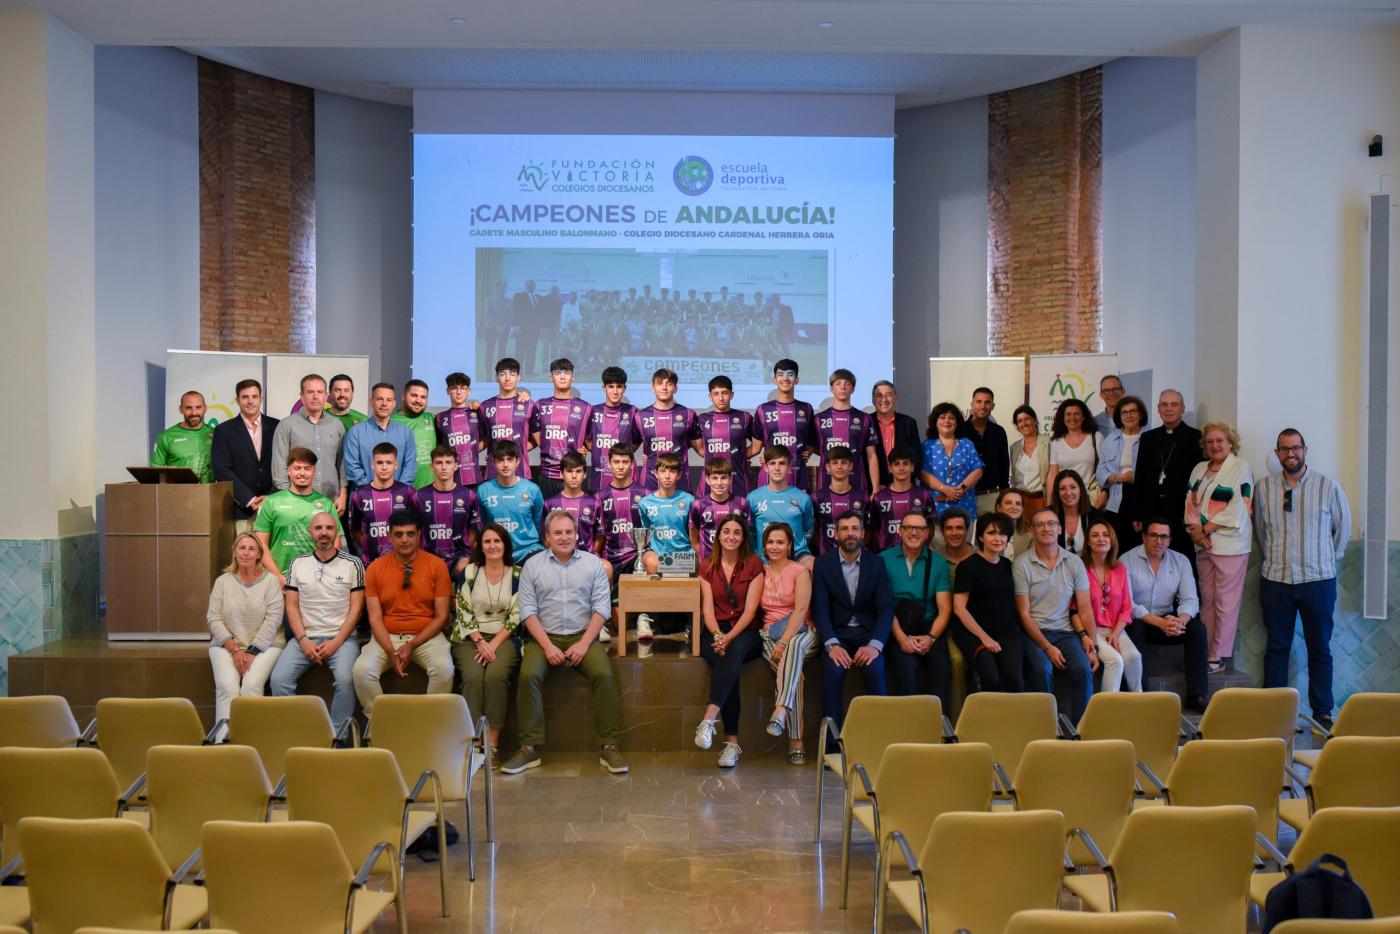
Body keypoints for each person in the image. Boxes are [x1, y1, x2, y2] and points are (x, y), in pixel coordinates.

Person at [502, 510, 628, 775]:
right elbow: (527, 611)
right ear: (547, 537)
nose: (564, 537)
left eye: (569, 532)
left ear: (577, 535)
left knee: (604, 675)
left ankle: (610, 747)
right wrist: (547, 646)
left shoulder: (593, 564)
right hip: (543, 637)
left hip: (583, 635)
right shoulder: (532, 566)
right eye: (557, 533)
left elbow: (602, 608)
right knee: (528, 676)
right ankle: (529, 749)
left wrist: (583, 645)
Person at [1253, 429, 1352, 728]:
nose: (1290, 453)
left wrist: (1323, 560)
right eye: (1284, 449)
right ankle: (1275, 713)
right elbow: (1260, 531)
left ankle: (1322, 711)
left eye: (1295, 448)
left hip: (1318, 579)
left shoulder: (1328, 485)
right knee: (1277, 646)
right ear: (1277, 453)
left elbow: (1342, 529)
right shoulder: (1264, 488)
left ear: (1305, 450)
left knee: (1319, 646)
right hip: (1276, 579)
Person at [351, 510, 454, 713]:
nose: (405, 540)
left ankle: (430, 724)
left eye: (410, 534)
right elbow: (375, 618)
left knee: (444, 670)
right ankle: (381, 723)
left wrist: (412, 645)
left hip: (426, 637)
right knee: (362, 671)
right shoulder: (375, 569)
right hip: (386, 637)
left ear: (419, 536)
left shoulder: (437, 565)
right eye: (398, 535)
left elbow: (442, 617)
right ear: (389, 536)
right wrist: (391, 651)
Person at [269, 511, 364, 729]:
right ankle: (297, 733)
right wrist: (303, 640)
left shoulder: (353, 564)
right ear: (310, 532)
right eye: (319, 528)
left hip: (342, 640)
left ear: (336, 532)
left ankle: (335, 737)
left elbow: (356, 609)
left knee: (347, 681)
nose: (324, 533)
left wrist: (336, 642)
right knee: (279, 680)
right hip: (305, 637)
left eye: (329, 528)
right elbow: (291, 606)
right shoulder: (297, 564)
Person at [1014, 508, 1099, 725]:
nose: (1046, 528)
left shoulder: (1074, 562)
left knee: (1083, 668)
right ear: (1033, 530)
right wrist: (1047, 648)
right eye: (1040, 524)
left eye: (1051, 523)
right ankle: (1046, 727)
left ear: (1060, 529)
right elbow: (1023, 614)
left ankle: (1082, 728)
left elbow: (1085, 608)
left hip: (1066, 632)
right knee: (1043, 669)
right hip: (1035, 632)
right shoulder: (1022, 563)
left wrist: (1092, 644)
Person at [812, 511, 893, 737]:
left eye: (855, 529)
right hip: (837, 634)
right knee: (833, 673)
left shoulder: (876, 563)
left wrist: (875, 645)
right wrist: (831, 644)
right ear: (836, 534)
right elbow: (820, 609)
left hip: (867, 634)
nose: (850, 534)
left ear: (863, 534)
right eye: (844, 529)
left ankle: (879, 740)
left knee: (875, 671)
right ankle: (831, 745)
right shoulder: (822, 564)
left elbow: (885, 608)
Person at [694, 515, 766, 767]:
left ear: (744, 537)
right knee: (728, 664)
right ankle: (731, 744)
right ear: (718, 536)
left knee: (733, 652)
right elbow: (707, 612)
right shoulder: (707, 566)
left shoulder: (754, 564)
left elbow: (750, 611)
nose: (731, 537)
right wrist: (717, 636)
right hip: (715, 632)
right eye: (726, 532)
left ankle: (708, 720)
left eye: (737, 532)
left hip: (746, 632)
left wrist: (728, 637)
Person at [1185, 420, 1254, 673]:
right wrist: (1197, 534)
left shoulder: (1240, 468)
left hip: (1230, 546)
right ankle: (1203, 651)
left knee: (1226, 602)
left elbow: (1240, 505)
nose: (1215, 445)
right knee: (1208, 600)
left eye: (1220, 441)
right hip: (1202, 545)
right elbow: (1190, 503)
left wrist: (1206, 529)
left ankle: (1217, 655)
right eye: (1210, 441)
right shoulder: (1199, 469)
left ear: (1230, 443)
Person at [449, 523, 521, 761]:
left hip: (504, 637)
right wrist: (480, 642)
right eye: (487, 541)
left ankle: (492, 742)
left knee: (495, 677)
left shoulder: (517, 574)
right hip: (470, 637)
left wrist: (494, 644)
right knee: (472, 677)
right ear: (480, 546)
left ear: (505, 544)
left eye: (497, 541)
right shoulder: (469, 572)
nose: (492, 546)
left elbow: (517, 614)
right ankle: (473, 741)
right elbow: (463, 610)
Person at [1122, 517, 1209, 712]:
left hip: (1168, 619)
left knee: (1197, 629)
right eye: (1153, 535)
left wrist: (1179, 621)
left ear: (1169, 540)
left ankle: (1196, 695)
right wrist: (1159, 623)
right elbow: (1128, 604)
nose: (1158, 541)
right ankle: (1140, 694)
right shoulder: (1126, 561)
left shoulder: (1181, 561)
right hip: (1140, 619)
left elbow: (1190, 600)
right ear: (1144, 537)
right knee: (1134, 628)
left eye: (1163, 537)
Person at [206, 532, 284, 721]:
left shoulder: (271, 582)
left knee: (251, 686)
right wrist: (234, 650)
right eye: (242, 548)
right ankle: (223, 744)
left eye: (252, 549)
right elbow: (213, 618)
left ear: (259, 554)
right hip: (226, 646)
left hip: (266, 645)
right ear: (234, 552)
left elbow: (273, 620)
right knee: (227, 687)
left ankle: (252, 742)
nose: (246, 553)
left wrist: (252, 651)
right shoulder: (222, 582)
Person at [756, 523, 816, 764]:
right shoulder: (760, 572)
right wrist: (778, 641)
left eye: (780, 542)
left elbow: (801, 610)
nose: (775, 547)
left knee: (793, 648)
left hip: (803, 632)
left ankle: (781, 709)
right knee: (796, 677)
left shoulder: (800, 571)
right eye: (770, 542)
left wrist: (783, 641)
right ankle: (796, 740)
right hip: (770, 634)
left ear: (790, 545)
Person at [880, 508, 953, 703]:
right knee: (906, 668)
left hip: (928, 625)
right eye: (909, 528)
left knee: (941, 668)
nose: (914, 532)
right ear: (900, 531)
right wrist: (902, 639)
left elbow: (945, 609)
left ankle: (941, 727)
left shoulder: (937, 563)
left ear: (927, 533)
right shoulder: (883, 559)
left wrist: (931, 637)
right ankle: (909, 727)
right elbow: (884, 606)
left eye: (920, 528)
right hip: (895, 625)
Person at [951, 513, 1024, 692]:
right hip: (973, 631)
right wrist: (984, 638)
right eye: (991, 533)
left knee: (1014, 677)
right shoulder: (968, 566)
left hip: (1006, 629)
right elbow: (959, 609)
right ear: (981, 537)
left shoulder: (1008, 565)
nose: (997, 538)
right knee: (990, 676)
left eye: (1002, 534)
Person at [1131, 390, 1204, 560]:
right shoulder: (1148, 438)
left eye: (1174, 405)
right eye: (1164, 404)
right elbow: (1140, 476)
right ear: (1158, 409)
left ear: (1182, 409)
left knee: (1181, 558)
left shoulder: (1196, 437)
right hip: (1152, 510)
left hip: (1181, 512)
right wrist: (1136, 512)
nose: (1169, 409)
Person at [253, 448, 344, 583]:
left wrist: (325, 570)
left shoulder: (326, 504)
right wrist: (278, 577)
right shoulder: (271, 502)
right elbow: (261, 544)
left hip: (316, 578)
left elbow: (336, 541)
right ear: (289, 471)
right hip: (278, 580)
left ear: (314, 471)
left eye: (307, 468)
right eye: (297, 468)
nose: (302, 473)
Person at [636, 453, 697, 641]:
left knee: (697, 563)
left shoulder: (689, 501)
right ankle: (645, 615)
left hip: (683, 555)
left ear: (679, 475)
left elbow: (693, 535)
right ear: (655, 474)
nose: (667, 476)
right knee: (652, 562)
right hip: (657, 553)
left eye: (672, 471)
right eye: (663, 471)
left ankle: (692, 619)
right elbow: (645, 537)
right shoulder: (645, 503)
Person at [1076, 516, 1140, 692]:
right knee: (1115, 660)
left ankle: (1139, 702)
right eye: (1095, 535)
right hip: (1092, 630)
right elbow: (1073, 609)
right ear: (1088, 542)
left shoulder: (1120, 569)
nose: (1101, 539)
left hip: (1115, 629)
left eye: (1105, 535)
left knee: (1134, 656)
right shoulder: (1080, 569)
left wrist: (1116, 634)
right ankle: (1106, 711)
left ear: (1112, 540)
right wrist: (1087, 636)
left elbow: (1127, 607)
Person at [271, 374, 347, 512]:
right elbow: (279, 466)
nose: (315, 396)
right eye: (310, 392)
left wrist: (343, 495)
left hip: (331, 502)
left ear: (326, 396)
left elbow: (342, 464)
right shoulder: (286, 425)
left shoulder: (336, 425)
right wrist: (288, 500)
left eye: (319, 392)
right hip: (297, 502)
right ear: (302, 396)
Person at [211, 378, 280, 529]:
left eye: (254, 397)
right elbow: (221, 469)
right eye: (245, 397)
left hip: (274, 508)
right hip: (241, 510)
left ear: (261, 399)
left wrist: (270, 496)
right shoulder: (224, 431)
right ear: (237, 400)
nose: (250, 401)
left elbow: (285, 464)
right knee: (244, 553)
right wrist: (248, 499)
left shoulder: (277, 426)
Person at [750, 359, 817, 491]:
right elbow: (756, 447)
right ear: (775, 379)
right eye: (781, 374)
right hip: (768, 477)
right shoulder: (762, 410)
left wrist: (808, 451)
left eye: (790, 374)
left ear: (797, 380)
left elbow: (813, 438)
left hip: (798, 476)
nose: (785, 378)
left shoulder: (807, 409)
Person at [476, 440, 545, 564]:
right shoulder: (483, 491)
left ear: (517, 461)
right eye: (501, 460)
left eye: (510, 459)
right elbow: (482, 525)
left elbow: (539, 523)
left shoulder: (532, 490)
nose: (505, 464)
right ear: (494, 462)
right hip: (496, 551)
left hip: (528, 550)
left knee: (542, 564)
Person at [416, 445, 479, 579]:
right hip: (428, 557)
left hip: (459, 556)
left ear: (455, 466)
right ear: (431, 467)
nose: (444, 467)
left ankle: (460, 599)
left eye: (448, 462)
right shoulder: (419, 496)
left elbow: (473, 532)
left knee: (466, 569)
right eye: (439, 463)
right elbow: (414, 531)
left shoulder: (469, 495)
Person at [748, 445, 816, 570]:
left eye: (782, 463)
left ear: (789, 467)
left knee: (812, 565)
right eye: (772, 463)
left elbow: (809, 531)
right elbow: (750, 532)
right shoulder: (753, 498)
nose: (777, 468)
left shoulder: (803, 498)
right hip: (764, 557)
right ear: (766, 467)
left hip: (797, 555)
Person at [348, 443, 416, 564]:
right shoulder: (360, 495)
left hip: (403, 563)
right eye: (380, 463)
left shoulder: (408, 493)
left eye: (389, 463)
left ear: (396, 465)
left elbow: (418, 528)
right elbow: (354, 530)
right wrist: (368, 546)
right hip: (371, 563)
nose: (384, 467)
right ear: (373, 465)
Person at [535, 358, 592, 501]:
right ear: (551, 378)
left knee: (576, 520)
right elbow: (536, 436)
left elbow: (590, 438)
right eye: (557, 373)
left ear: (573, 378)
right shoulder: (540, 405)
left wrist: (583, 448)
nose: (561, 376)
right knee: (548, 520)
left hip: (574, 475)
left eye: (566, 373)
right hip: (547, 475)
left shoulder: (585, 407)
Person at [1097, 394, 1147, 551]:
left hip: (1140, 495)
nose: (1129, 415)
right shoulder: (1110, 440)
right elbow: (1101, 471)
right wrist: (1119, 478)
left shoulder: (1149, 438)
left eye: (1133, 411)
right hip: (1116, 496)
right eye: (1124, 412)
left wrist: (1137, 478)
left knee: (1138, 544)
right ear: (1119, 416)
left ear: (1140, 414)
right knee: (1117, 544)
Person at [344, 383, 418, 489]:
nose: (384, 404)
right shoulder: (355, 432)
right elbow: (352, 467)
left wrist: (398, 491)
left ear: (394, 404)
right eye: (379, 399)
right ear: (371, 402)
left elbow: (410, 467)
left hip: (398, 499)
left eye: (389, 400)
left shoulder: (406, 432)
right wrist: (372, 491)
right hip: (364, 497)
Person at [816, 369, 879, 494]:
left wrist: (876, 489)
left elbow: (871, 455)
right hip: (826, 482)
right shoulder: (818, 419)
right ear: (831, 388)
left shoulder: (864, 418)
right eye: (838, 383)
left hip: (857, 482)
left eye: (847, 384)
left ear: (853, 389)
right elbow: (808, 448)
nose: (843, 387)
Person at [478, 358, 541, 482]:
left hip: (521, 472)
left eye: (512, 374)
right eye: (503, 374)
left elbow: (539, 439)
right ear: (497, 378)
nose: (507, 378)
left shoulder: (529, 405)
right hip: (493, 472)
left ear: (518, 377)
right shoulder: (485, 406)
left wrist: (517, 450)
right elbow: (484, 439)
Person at [693, 375, 755, 498]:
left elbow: (758, 444)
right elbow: (697, 447)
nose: (720, 398)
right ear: (710, 397)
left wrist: (740, 455)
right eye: (716, 394)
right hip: (710, 482)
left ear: (731, 395)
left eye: (724, 393)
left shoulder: (744, 417)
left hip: (739, 481)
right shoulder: (702, 419)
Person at [637, 368, 698, 492]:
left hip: (681, 483)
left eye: (669, 384)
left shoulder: (688, 414)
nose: (664, 388)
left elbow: (702, 449)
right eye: (660, 383)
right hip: (650, 482)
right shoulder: (640, 416)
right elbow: (628, 448)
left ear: (675, 388)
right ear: (653, 387)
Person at [920, 402, 983, 521]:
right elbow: (923, 473)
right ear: (935, 422)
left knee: (964, 539)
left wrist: (962, 488)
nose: (947, 421)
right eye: (942, 417)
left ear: (957, 422)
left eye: (951, 418)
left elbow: (978, 470)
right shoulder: (928, 445)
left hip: (964, 507)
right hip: (936, 510)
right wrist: (945, 489)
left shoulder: (966, 444)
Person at [584, 366, 643, 493]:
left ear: (624, 388)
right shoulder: (593, 411)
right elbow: (587, 440)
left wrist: (623, 453)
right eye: (611, 386)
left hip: (627, 480)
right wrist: (598, 450)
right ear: (604, 388)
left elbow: (637, 441)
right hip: (598, 478)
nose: (615, 391)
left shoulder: (632, 412)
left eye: (619, 386)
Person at [870, 446, 933, 551]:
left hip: (916, 553)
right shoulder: (879, 498)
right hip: (887, 554)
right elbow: (874, 530)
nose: (901, 468)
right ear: (890, 468)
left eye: (905, 463)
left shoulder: (924, 495)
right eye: (896, 464)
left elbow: (930, 527)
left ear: (912, 467)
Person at [688, 457, 750, 562]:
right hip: (708, 562)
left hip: (736, 562)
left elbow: (746, 535)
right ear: (707, 480)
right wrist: (704, 558)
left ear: (730, 479)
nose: (719, 483)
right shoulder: (698, 505)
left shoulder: (742, 503)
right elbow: (694, 540)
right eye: (715, 478)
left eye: (724, 478)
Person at [1047, 398, 1105, 509]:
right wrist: (1049, 504)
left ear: (1084, 417)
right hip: (1065, 497)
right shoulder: (1055, 441)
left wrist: (1104, 493)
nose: (1072, 418)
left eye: (1076, 414)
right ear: (1062, 418)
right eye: (1068, 414)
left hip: (1090, 498)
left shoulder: (1096, 437)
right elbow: (1052, 473)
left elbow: (1104, 468)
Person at [812, 446, 869, 556]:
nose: (839, 466)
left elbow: (869, 530)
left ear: (850, 466)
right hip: (826, 557)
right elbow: (813, 531)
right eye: (835, 462)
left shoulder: (863, 498)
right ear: (828, 467)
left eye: (844, 462)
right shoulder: (816, 498)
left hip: (856, 557)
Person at [542, 451, 599, 554]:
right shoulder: (550, 504)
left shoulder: (594, 503)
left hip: (586, 561)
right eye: (569, 471)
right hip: (558, 561)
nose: (574, 476)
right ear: (561, 474)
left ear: (585, 474)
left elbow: (600, 536)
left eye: (578, 471)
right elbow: (545, 536)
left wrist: (591, 558)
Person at [965, 387, 1010, 516]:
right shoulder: (960, 431)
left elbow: (1004, 464)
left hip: (991, 497)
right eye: (978, 401)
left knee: (991, 535)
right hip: (964, 496)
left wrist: (1004, 494)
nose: (983, 406)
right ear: (972, 404)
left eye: (987, 402)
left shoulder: (999, 432)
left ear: (993, 406)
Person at [153, 390, 215, 482]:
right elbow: (155, 472)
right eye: (188, 408)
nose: (194, 413)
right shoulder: (166, 436)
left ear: (205, 408)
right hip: (177, 494)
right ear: (181, 409)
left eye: (198, 407)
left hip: (209, 493)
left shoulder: (216, 434)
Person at [435, 372, 484, 488]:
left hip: (474, 477)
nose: (458, 392)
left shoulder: (476, 413)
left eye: (463, 388)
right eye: (454, 388)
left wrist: (472, 448)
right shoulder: (440, 417)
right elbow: (439, 445)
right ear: (447, 391)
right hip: (449, 479)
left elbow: (488, 438)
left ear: (469, 391)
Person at [871, 381, 922, 490]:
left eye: (888, 395)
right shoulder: (866, 422)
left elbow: (916, 456)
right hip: (875, 489)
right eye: (879, 395)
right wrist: (874, 485)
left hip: (905, 487)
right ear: (873, 400)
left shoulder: (909, 423)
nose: (884, 399)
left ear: (895, 398)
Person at [391, 379, 437, 489]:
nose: (418, 400)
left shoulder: (432, 419)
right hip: (400, 490)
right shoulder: (389, 422)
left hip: (429, 491)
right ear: (403, 396)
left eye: (423, 397)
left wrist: (473, 409)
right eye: (414, 395)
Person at [1008, 404, 1050, 516]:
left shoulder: (1048, 443)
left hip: (1042, 499)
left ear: (1035, 421)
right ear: (1017, 426)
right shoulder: (1014, 447)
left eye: (1027, 419)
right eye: (1020, 421)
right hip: (1020, 501)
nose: (1024, 423)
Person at [1053, 469, 1094, 553]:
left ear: (1081, 489)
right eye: (1062, 488)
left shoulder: (1094, 515)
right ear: (1057, 492)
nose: (1068, 493)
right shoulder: (1049, 515)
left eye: (1073, 487)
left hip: (1087, 565)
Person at [511, 280, 545, 375]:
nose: (531, 286)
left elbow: (541, 315)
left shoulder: (539, 298)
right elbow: (515, 311)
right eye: (529, 284)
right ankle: (518, 371)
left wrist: (540, 328)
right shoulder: (518, 296)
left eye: (533, 285)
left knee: (531, 350)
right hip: (522, 328)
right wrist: (515, 327)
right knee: (520, 350)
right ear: (525, 286)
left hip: (534, 330)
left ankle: (530, 370)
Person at [995, 488, 1033, 559]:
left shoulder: (1030, 536)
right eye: (1008, 503)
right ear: (999, 508)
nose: (1014, 507)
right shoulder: (987, 532)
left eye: (1018, 504)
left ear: (1022, 510)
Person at [936, 508, 975, 576]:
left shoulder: (981, 555)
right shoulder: (934, 558)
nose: (954, 533)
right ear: (942, 532)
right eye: (949, 528)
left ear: (967, 530)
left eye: (959, 528)